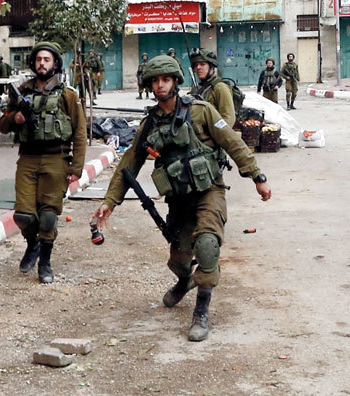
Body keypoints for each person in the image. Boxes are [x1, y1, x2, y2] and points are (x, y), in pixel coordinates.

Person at [91, 55, 272, 342]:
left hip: (209, 190)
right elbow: (129, 164)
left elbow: (233, 143)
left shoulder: (201, 111)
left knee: (207, 245)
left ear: (175, 81)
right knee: (178, 261)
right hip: (178, 199)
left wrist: (257, 177)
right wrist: (109, 202)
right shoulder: (150, 124)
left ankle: (201, 310)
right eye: (155, 81)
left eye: (166, 79)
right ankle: (185, 280)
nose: (160, 85)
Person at [0, 41, 87, 283]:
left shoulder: (67, 95)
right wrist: (15, 118)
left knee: (48, 217)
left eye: (47, 60)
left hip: (56, 159)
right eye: (38, 59)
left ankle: (45, 262)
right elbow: (2, 126)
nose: (42, 64)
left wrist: (77, 167)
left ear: (55, 63)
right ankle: (33, 245)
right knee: (23, 216)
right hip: (28, 158)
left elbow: (80, 132)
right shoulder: (22, 92)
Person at [189, 48, 236, 125]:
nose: (198, 67)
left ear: (211, 67)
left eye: (202, 64)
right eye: (196, 65)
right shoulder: (197, 88)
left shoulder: (220, 88)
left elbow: (228, 119)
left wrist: (214, 131)